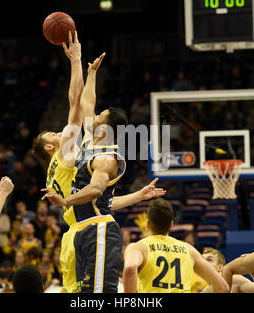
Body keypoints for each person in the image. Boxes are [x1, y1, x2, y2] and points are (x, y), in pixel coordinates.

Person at [36, 38, 165, 293]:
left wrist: (64, 202)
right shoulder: (87, 145)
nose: (93, 116)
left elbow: (95, 192)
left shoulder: (104, 155)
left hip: (97, 229)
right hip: (78, 228)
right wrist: (92, 73)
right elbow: (86, 104)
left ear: (105, 127)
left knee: (97, 294)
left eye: (99, 116)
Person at [122, 198, 229, 293]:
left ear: (148, 224)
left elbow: (130, 268)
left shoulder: (138, 247)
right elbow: (223, 287)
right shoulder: (189, 249)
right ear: (171, 225)